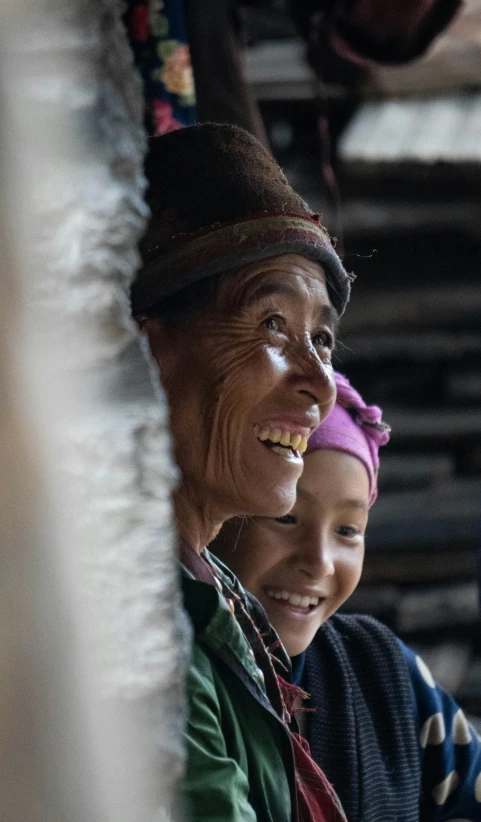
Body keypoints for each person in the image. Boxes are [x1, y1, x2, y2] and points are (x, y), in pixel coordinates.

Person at [132, 122, 352, 821]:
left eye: (321, 339)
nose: (321, 385)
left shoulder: (211, 590)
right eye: (270, 326)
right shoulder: (135, 625)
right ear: (143, 352)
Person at [213, 371, 481, 822]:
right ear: (219, 512)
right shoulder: (189, 683)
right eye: (286, 516)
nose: (319, 562)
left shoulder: (384, 675)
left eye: (347, 531)